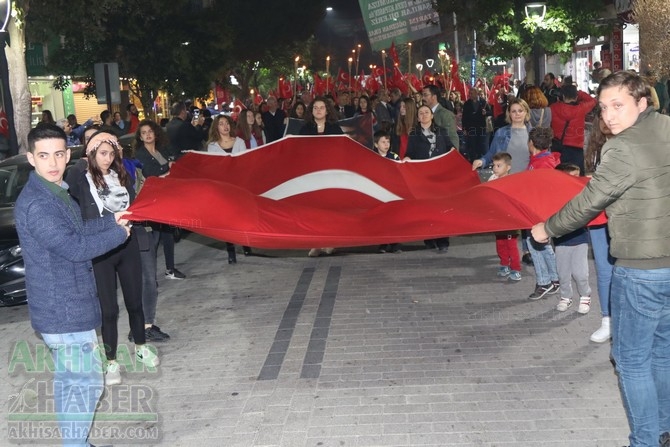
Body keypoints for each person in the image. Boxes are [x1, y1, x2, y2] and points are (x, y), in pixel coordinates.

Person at [532, 71, 670, 447]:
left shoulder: (622, 147)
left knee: (630, 360)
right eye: (604, 107)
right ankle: (662, 430)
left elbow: (590, 202)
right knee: (662, 352)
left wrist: (547, 229)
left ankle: (645, 440)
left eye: (618, 105)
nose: (608, 116)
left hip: (642, 270)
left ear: (642, 103)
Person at [15, 124, 130, 446]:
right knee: (88, 383)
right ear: (31, 158)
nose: (52, 162)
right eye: (43, 155)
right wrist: (118, 234)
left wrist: (113, 221)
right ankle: (76, 443)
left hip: (65, 306)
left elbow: (78, 230)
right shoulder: (38, 203)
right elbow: (75, 248)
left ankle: (74, 442)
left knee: (71, 382)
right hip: (62, 310)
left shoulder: (54, 190)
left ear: (68, 155)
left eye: (58, 154)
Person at [66, 130, 160, 386]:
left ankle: (141, 345)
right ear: (91, 154)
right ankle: (111, 362)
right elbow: (71, 180)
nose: (107, 159)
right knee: (108, 309)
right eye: (101, 153)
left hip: (127, 244)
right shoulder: (82, 177)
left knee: (135, 302)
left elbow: (134, 204)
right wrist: (86, 154)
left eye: (111, 153)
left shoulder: (122, 176)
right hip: (100, 250)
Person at [134, 119, 187, 280]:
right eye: (144, 133)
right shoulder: (140, 154)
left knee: (168, 234)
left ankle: (170, 269)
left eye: (150, 131)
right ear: (140, 137)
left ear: (155, 133)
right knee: (155, 238)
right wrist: (167, 168)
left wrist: (171, 166)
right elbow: (151, 174)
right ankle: (151, 278)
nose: (148, 135)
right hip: (153, 200)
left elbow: (176, 162)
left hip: (167, 197)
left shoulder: (162, 150)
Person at [405, 104, 457, 253]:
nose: (424, 115)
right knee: (426, 208)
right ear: (418, 117)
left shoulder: (441, 131)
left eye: (426, 112)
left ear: (432, 115)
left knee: (441, 208)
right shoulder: (414, 133)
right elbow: (410, 152)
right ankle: (429, 237)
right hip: (423, 177)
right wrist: (407, 159)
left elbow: (450, 147)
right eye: (420, 113)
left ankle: (443, 240)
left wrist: (454, 153)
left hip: (440, 177)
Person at [584, 113, 615, 342]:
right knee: (604, 271)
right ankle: (607, 320)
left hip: (623, 216)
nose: (608, 121)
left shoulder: (628, 145)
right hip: (598, 217)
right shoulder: (593, 148)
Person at [301, 97, 343, 257]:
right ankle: (316, 243)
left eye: (322, 107)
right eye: (315, 108)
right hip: (311, 175)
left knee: (330, 210)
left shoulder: (335, 128)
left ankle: (331, 241)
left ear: (327, 110)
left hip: (331, 174)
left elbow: (342, 149)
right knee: (313, 211)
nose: (318, 110)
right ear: (311, 111)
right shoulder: (305, 129)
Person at [551, 163, 592, 313]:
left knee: (580, 273)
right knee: (563, 273)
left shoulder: (581, 195)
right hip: (561, 241)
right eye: (572, 176)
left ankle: (585, 295)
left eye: (578, 176)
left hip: (580, 239)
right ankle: (566, 297)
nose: (576, 180)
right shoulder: (555, 196)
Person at [526, 127, 561, 300]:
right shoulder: (544, 160)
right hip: (539, 210)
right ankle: (555, 278)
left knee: (534, 244)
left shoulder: (541, 163)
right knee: (545, 246)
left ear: (531, 143)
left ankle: (544, 282)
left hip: (537, 211)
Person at [472, 98, 532, 174]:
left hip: (526, 179)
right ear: (509, 113)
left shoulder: (533, 133)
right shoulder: (501, 132)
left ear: (526, 112)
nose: (517, 114)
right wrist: (481, 161)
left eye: (520, 111)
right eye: (513, 111)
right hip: (505, 179)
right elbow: (491, 153)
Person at [488, 152, 522, 282]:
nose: (495, 168)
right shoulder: (492, 179)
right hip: (498, 218)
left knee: (511, 244)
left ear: (508, 167)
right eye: (494, 165)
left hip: (510, 219)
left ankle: (516, 269)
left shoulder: (512, 181)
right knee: (500, 243)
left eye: (498, 165)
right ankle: (504, 265)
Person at [549, 84, 597, 174]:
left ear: (562, 96)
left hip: (558, 147)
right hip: (576, 149)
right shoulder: (581, 108)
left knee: (559, 175)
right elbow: (593, 100)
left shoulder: (553, 107)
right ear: (576, 97)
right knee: (577, 176)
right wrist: (579, 93)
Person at [372, 130, 402, 253]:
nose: (386, 144)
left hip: (392, 191)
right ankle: (383, 243)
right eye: (383, 142)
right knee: (381, 218)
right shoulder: (371, 156)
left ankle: (395, 243)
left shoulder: (394, 156)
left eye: (388, 141)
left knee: (394, 218)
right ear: (376, 145)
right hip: (378, 192)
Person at [421, 84, 459, 150]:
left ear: (434, 97)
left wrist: (453, 156)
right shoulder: (422, 114)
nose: (423, 98)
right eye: (423, 95)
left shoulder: (445, 115)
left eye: (425, 95)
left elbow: (452, 137)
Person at [461, 88, 492, 162]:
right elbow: (464, 116)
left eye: (472, 93)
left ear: (476, 93)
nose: (470, 95)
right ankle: (472, 160)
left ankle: (480, 159)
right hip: (471, 127)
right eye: (470, 93)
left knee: (481, 144)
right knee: (472, 144)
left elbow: (490, 112)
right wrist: (464, 128)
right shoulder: (467, 103)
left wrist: (486, 113)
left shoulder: (483, 102)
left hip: (481, 127)